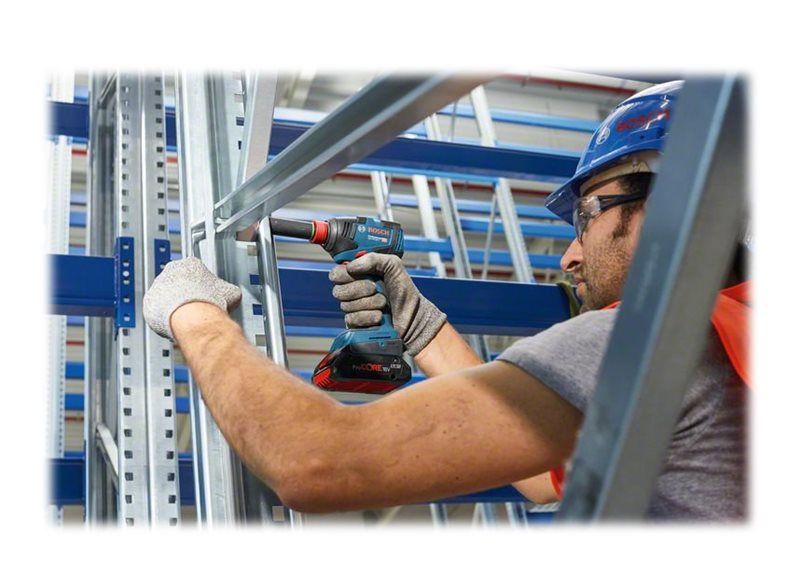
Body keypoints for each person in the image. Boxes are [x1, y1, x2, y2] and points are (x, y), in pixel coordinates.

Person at [143, 81, 747, 520]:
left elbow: (317, 462)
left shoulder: (653, 343)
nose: (569, 257)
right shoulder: (740, 337)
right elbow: (541, 479)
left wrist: (194, 313)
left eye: (588, 213)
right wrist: (420, 326)